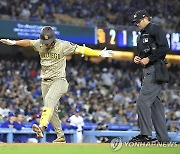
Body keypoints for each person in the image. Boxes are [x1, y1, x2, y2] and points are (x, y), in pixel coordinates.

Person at [0, 26, 113, 143]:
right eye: (44, 42)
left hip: (59, 80)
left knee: (49, 100)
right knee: (52, 109)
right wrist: (14, 42)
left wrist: (98, 53)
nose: (46, 44)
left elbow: (81, 49)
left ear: (53, 39)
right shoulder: (40, 43)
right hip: (45, 81)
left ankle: (42, 127)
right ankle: (60, 136)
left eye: (48, 42)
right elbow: (28, 42)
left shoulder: (63, 45)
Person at [130, 10, 169, 143]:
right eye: (136, 22)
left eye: (139, 21)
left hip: (155, 69)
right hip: (148, 70)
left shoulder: (154, 29)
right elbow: (144, 52)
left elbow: (164, 48)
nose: (137, 24)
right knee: (155, 105)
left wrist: (149, 59)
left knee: (142, 100)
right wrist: (138, 58)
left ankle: (145, 135)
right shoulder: (141, 34)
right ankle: (163, 139)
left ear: (146, 18)